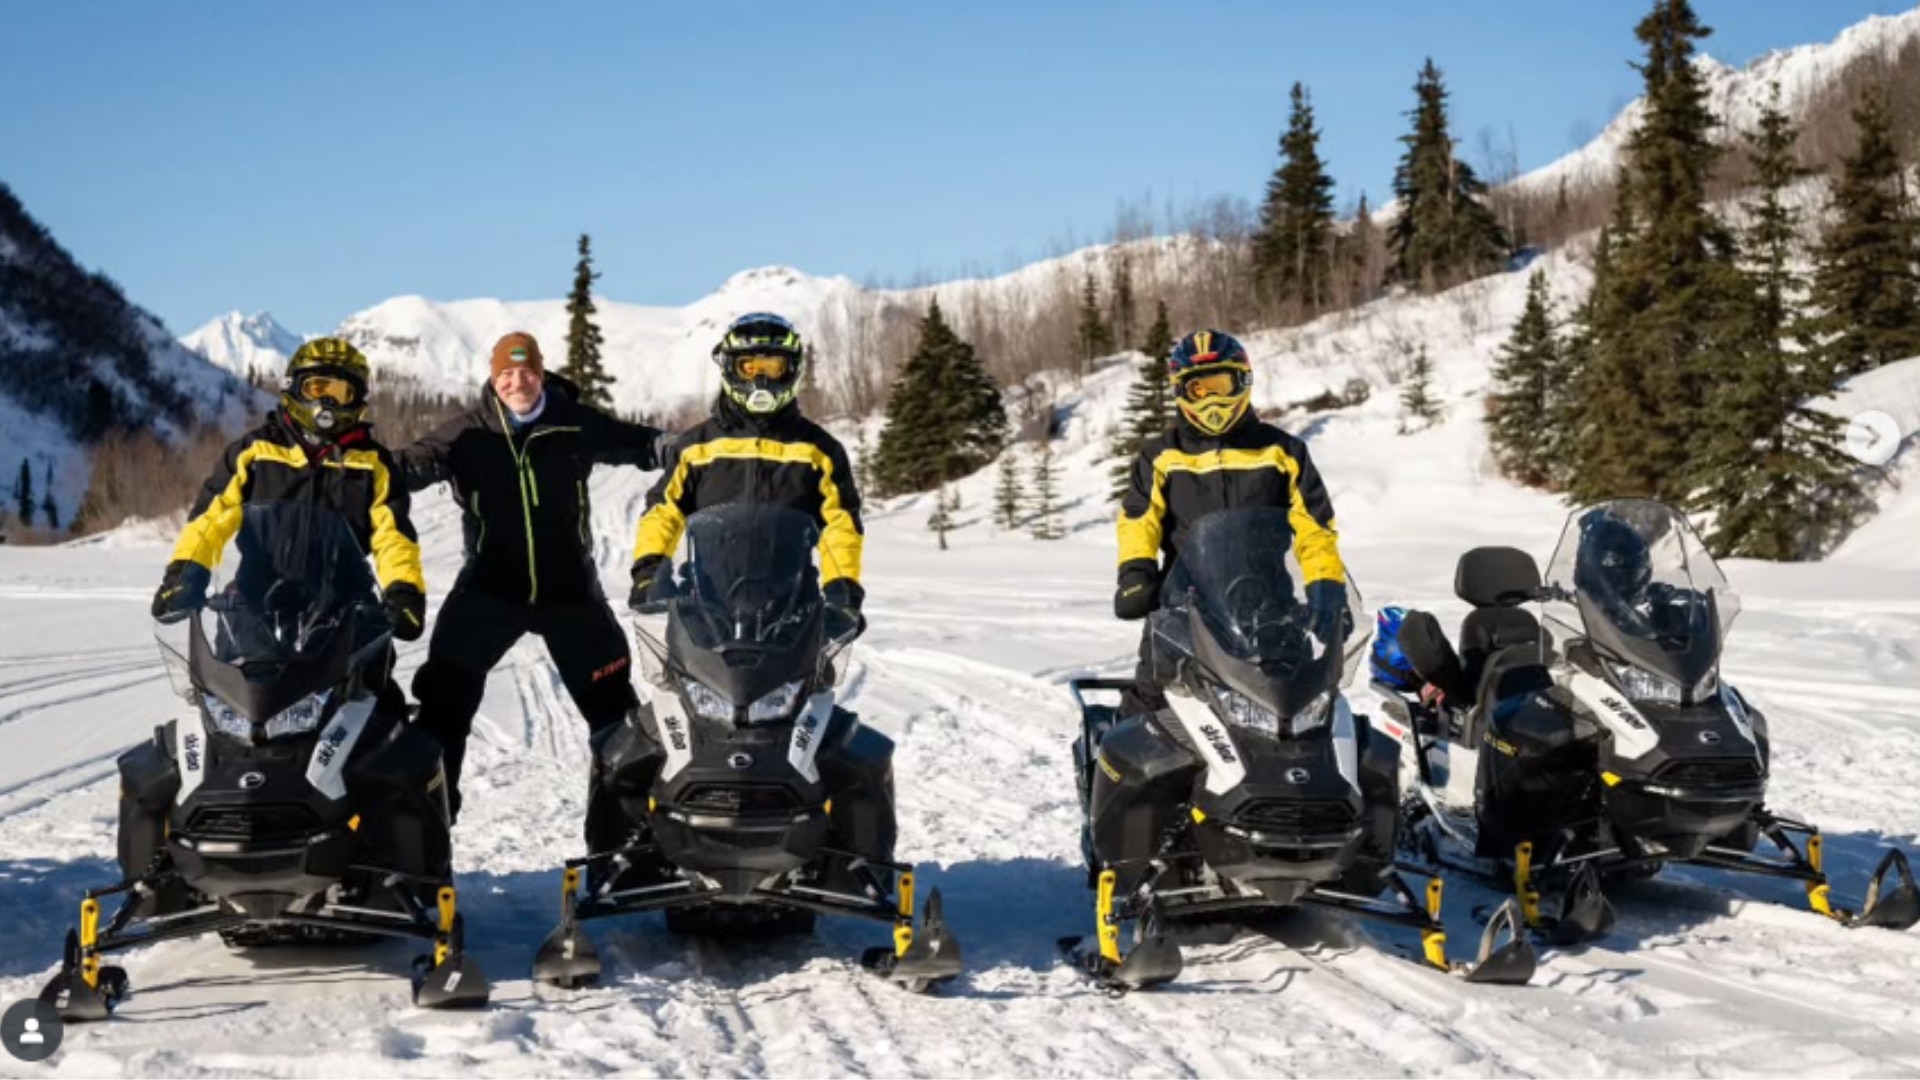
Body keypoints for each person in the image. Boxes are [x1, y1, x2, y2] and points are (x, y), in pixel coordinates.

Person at [400, 331, 668, 824]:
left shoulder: (573, 423)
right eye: (506, 373)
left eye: (526, 372)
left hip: (570, 594)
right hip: (489, 592)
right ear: (492, 377)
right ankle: (425, 844)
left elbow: (640, 442)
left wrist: (683, 449)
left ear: (540, 374)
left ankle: (619, 844)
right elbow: (403, 468)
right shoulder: (466, 433)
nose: (517, 382)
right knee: (441, 709)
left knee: (616, 717)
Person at [1112, 329, 1348, 718]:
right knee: (1151, 706)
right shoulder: (1162, 456)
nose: (1212, 400)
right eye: (1199, 389)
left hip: (1271, 611)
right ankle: (1113, 770)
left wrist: (1326, 585)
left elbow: (1315, 528)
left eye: (1220, 384)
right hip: (1184, 612)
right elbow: (1138, 521)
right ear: (1180, 392)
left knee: (1306, 709)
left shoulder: (1283, 451)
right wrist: (1135, 573)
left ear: (1243, 381)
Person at [153, 337, 426, 661]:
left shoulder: (373, 463)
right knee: (230, 689)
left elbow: (393, 535)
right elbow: (211, 517)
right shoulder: (254, 452)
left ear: (357, 400)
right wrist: (185, 574)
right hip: (257, 591)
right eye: (317, 388)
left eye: (340, 393)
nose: (327, 402)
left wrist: (403, 590)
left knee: (373, 693)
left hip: (344, 596)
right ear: (294, 387)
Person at [629, 312, 863, 615]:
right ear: (730, 368)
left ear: (791, 369)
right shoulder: (696, 447)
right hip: (705, 609)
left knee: (818, 664)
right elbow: (663, 511)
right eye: (749, 367)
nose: (760, 379)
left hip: (793, 611)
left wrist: (843, 587)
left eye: (771, 367)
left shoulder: (819, 451)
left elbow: (841, 525)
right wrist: (649, 572)